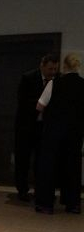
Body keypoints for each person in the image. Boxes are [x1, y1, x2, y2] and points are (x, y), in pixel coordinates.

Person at [35, 53, 84, 214]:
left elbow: (40, 106)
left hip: (54, 131)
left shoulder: (54, 83)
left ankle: (46, 204)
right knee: (73, 166)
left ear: (64, 66)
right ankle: (73, 204)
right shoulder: (82, 84)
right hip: (75, 133)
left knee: (48, 166)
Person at [14, 54, 60, 201]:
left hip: (45, 127)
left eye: (55, 69)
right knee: (23, 159)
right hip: (26, 126)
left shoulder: (57, 80)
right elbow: (22, 100)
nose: (53, 72)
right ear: (42, 66)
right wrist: (42, 103)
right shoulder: (28, 78)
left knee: (42, 160)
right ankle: (22, 190)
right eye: (50, 69)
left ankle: (40, 189)